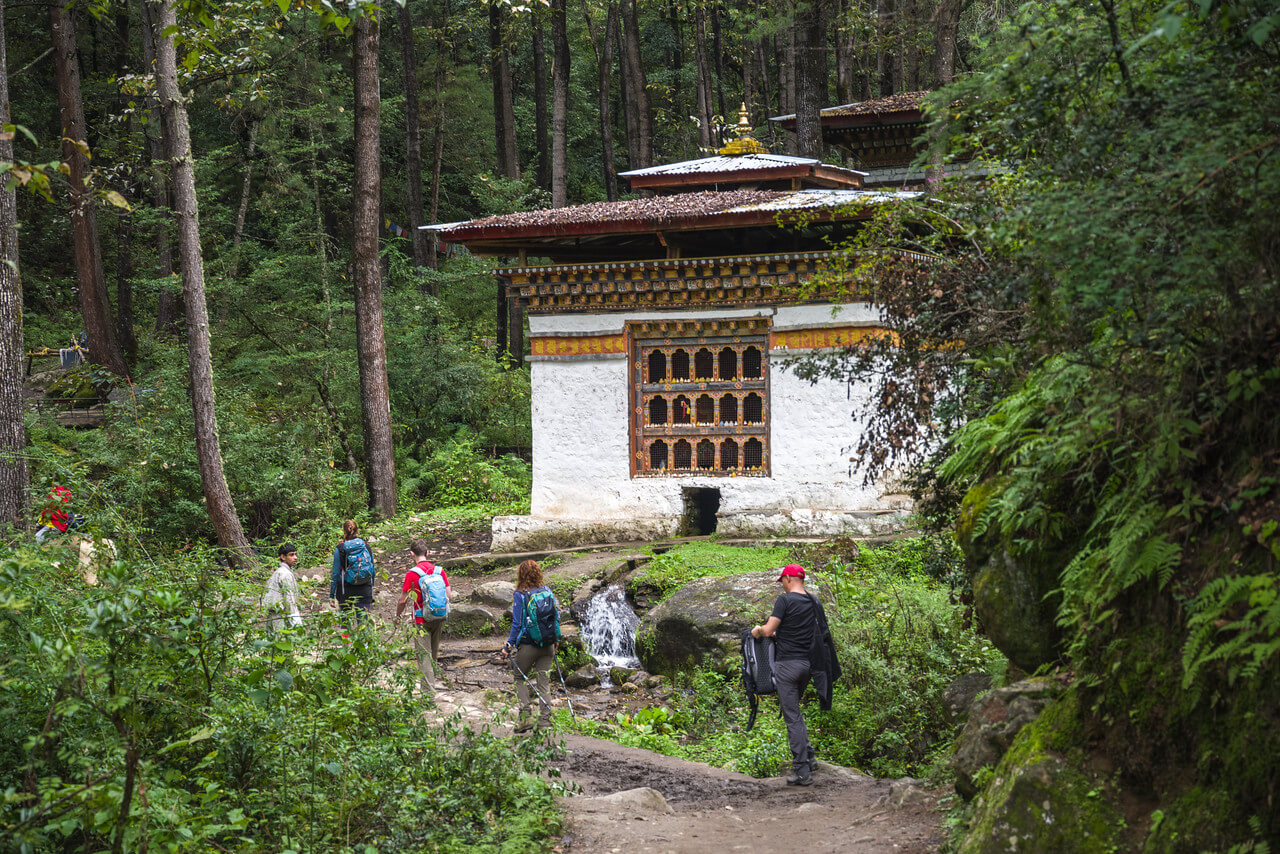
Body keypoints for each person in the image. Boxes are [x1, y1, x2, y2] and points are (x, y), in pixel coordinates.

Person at [750, 563, 841, 787]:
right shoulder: (814, 601)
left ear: (789, 578)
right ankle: (809, 757)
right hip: (809, 666)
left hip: (787, 667)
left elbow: (768, 630)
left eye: (782, 580)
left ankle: (802, 771)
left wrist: (757, 630)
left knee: (792, 717)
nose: (782, 584)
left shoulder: (785, 600)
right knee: (795, 714)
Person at [500, 559, 559, 733]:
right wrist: (556, 639)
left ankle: (526, 718)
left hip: (529, 645)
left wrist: (508, 646)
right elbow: (556, 616)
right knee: (543, 683)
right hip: (548, 644)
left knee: (519, 678)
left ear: (520, 574)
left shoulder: (520, 595)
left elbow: (517, 624)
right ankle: (545, 721)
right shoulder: (547, 591)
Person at [396, 539, 450, 696]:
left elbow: (402, 600)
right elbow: (449, 595)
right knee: (433, 655)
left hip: (421, 620)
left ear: (412, 554)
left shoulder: (412, 574)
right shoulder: (439, 571)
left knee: (424, 657)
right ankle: (432, 687)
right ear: (428, 553)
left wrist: (397, 616)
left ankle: (428, 697)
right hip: (439, 616)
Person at [329, 519, 376, 626]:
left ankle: (347, 637)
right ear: (357, 531)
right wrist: (371, 588)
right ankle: (364, 638)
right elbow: (372, 569)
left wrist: (332, 595)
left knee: (346, 623)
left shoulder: (340, 548)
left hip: (345, 590)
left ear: (344, 531)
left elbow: (335, 573)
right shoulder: (365, 546)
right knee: (363, 624)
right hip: (364, 588)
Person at [262, 543, 304, 630]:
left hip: (276, 614)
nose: (295, 557)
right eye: (291, 555)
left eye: (295, 554)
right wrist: (294, 619)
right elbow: (289, 599)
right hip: (281, 615)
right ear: (283, 557)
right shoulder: (285, 574)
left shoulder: (280, 572)